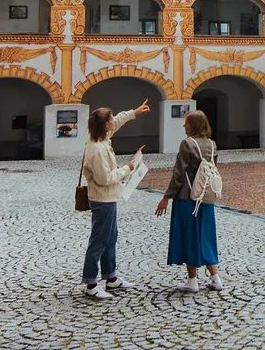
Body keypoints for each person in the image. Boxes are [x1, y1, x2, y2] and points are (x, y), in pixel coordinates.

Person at [80, 99, 150, 299]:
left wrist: (134, 111)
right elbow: (104, 178)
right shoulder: (97, 149)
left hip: (108, 197)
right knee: (99, 240)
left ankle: (110, 277)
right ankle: (91, 282)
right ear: (105, 125)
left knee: (111, 238)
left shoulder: (102, 139)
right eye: (110, 119)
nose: (113, 121)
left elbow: (119, 120)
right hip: (102, 199)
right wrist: (127, 169)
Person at [155, 110, 223, 292]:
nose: (184, 126)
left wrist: (166, 197)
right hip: (205, 198)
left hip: (187, 198)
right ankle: (215, 278)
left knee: (189, 236)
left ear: (194, 125)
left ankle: (192, 281)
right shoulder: (212, 144)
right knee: (205, 236)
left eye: (187, 123)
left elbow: (178, 174)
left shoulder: (187, 144)